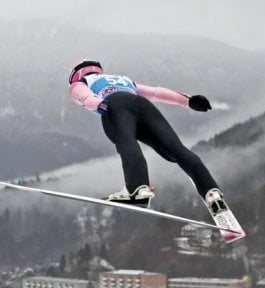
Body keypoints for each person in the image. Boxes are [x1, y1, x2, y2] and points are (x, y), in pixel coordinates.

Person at [68, 60, 223, 209]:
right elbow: (156, 93)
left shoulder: (82, 82)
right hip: (143, 105)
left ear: (76, 74)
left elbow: (82, 95)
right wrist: (188, 100)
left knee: (127, 142)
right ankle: (211, 191)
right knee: (176, 149)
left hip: (114, 106)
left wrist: (95, 102)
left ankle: (138, 190)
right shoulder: (122, 79)